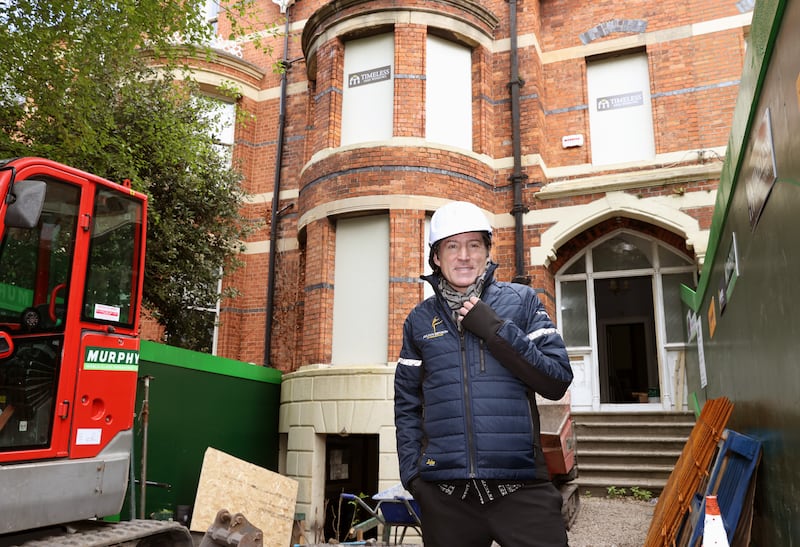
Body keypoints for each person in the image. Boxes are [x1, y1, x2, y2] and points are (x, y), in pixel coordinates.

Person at [394, 201, 574, 547]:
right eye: (452, 246)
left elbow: (556, 379)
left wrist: (493, 329)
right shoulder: (418, 321)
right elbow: (407, 405)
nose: (464, 256)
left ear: (487, 253)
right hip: (446, 497)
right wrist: (414, 477)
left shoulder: (522, 302)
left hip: (521, 487)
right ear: (436, 257)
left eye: (474, 244)